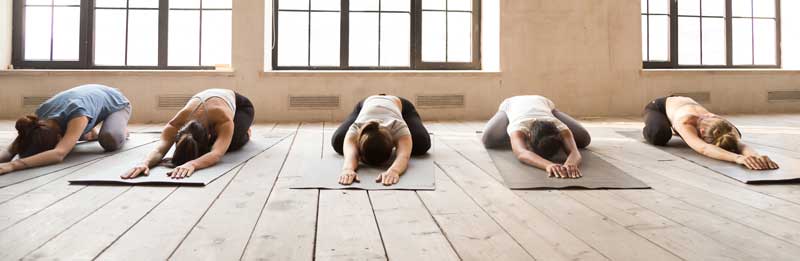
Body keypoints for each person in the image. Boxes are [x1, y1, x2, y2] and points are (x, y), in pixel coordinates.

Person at [122, 89, 254, 179]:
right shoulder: (175, 124)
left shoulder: (223, 118)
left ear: (208, 137)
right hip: (209, 103)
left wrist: (193, 164)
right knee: (215, 143)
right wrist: (145, 163)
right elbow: (159, 150)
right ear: (176, 136)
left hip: (241, 107)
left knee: (229, 144)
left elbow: (216, 154)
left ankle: (246, 132)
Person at [0, 84, 131, 175]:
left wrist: (13, 165)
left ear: (59, 138)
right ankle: (88, 132)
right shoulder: (38, 119)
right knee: (73, 136)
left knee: (109, 139)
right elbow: (11, 149)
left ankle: (122, 130)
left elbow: (58, 154)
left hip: (117, 102)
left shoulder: (78, 115)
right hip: (87, 102)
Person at [642, 96, 778, 170]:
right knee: (659, 135)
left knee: (728, 140)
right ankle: (657, 125)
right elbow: (704, 148)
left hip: (685, 103)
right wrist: (738, 158)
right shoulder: (685, 122)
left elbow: (740, 144)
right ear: (701, 131)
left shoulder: (726, 126)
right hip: (659, 106)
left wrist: (756, 156)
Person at [482, 95, 591, 179]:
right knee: (488, 139)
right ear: (528, 135)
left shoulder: (559, 127)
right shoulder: (519, 127)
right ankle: (510, 134)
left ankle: (552, 112)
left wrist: (571, 164)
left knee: (584, 139)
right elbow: (522, 153)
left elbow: (575, 152)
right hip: (511, 104)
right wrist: (549, 165)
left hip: (542, 102)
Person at [331, 94, 431, 186]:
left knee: (422, 143)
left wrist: (394, 171)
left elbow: (403, 156)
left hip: (401, 106)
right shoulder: (358, 126)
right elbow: (352, 155)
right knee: (338, 141)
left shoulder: (398, 126)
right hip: (367, 104)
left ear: (393, 145)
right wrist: (348, 169)